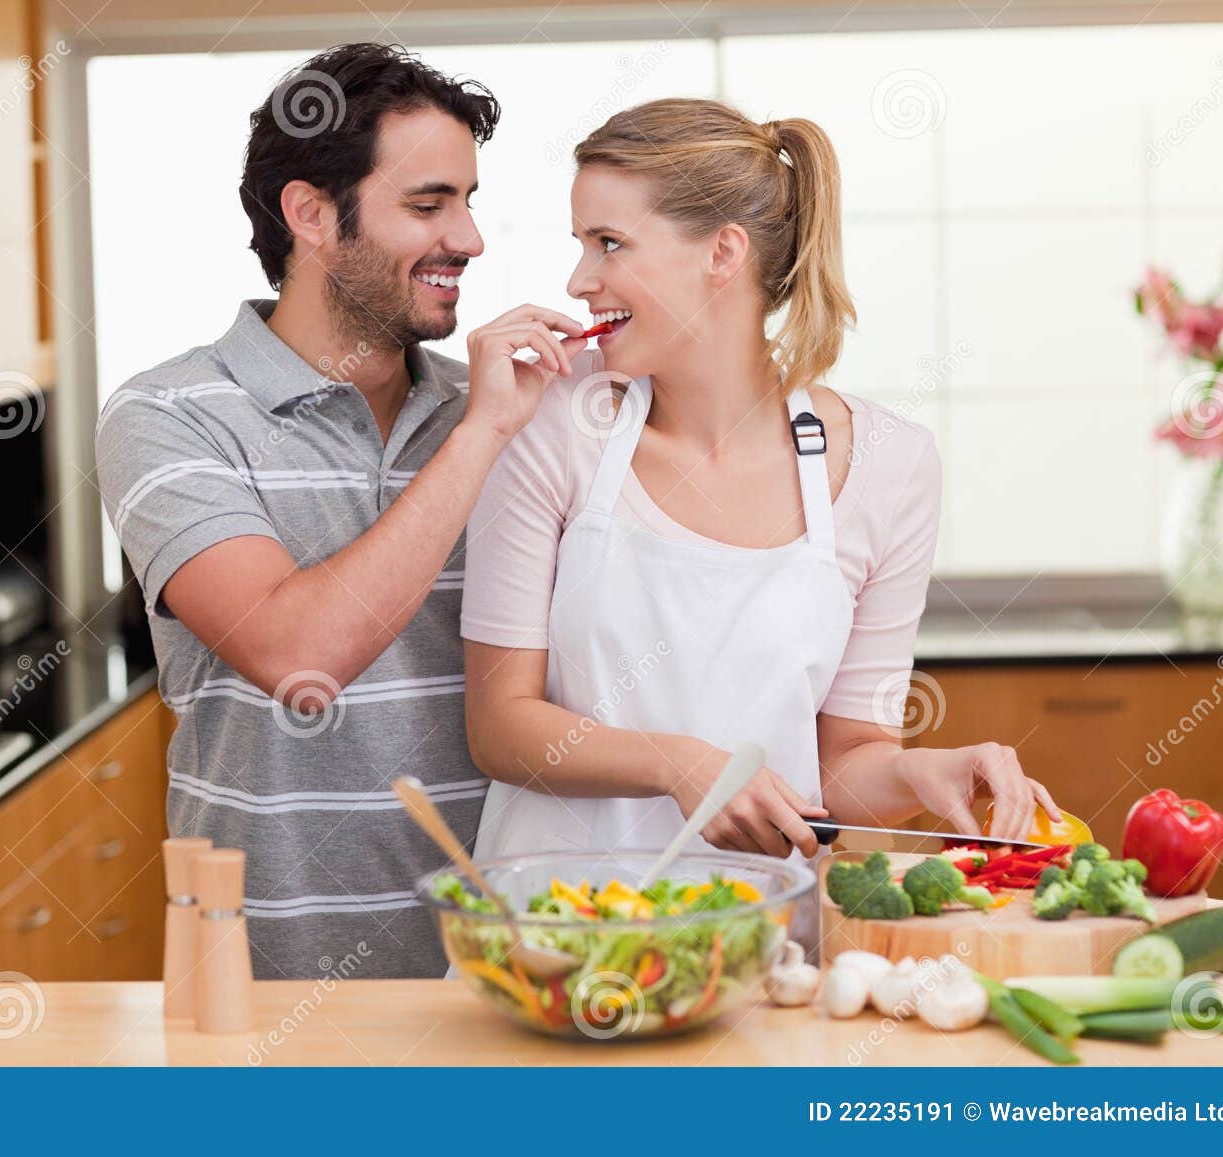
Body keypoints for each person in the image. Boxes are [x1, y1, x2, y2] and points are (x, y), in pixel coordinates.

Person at [460, 98, 1063, 942]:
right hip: (550, 938)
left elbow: (846, 758)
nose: (578, 281)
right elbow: (500, 726)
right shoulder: (552, 423)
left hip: (758, 945)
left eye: (608, 244)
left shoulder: (890, 466)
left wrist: (924, 770)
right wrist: (683, 765)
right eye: (581, 244)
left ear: (722, 253)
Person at [95, 43, 585, 979]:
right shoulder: (169, 416)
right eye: (428, 203)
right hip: (276, 988)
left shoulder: (496, 404)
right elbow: (297, 651)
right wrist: (480, 436)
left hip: (513, 973)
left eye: (469, 201)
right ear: (312, 215)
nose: (471, 239)